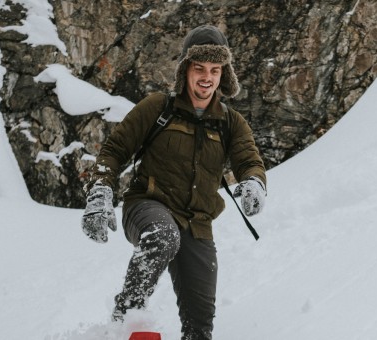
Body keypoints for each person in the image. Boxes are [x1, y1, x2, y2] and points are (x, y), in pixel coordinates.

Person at [81, 24, 267, 339]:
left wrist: (255, 183)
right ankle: (125, 319)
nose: (207, 77)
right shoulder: (159, 108)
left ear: (224, 74)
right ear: (185, 70)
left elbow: (250, 161)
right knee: (164, 235)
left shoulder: (230, 124)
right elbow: (114, 151)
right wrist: (99, 192)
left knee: (200, 326)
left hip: (197, 224)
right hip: (148, 205)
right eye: (199, 68)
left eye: (215, 69)